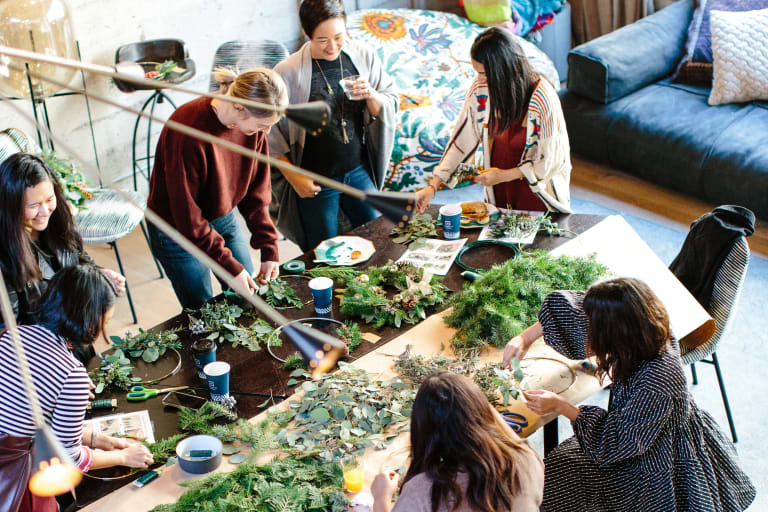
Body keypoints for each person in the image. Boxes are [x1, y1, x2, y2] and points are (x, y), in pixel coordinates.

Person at [502, 278, 756, 511]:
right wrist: (525, 337)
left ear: (617, 336)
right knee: (551, 472)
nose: (588, 332)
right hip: (637, 427)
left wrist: (561, 405)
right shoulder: (645, 322)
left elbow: (614, 445)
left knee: (551, 485)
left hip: (652, 458)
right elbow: (575, 308)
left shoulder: (658, 380)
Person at [0, 264, 153, 512]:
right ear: (90, 319)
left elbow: (28, 415)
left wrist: (97, 438)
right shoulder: (71, 374)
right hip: (18, 479)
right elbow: (69, 458)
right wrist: (124, 457)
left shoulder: (13, 336)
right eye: (106, 320)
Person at [147, 67, 288, 310]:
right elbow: (188, 218)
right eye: (263, 125)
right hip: (175, 230)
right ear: (239, 107)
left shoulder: (252, 129)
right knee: (203, 310)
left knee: (248, 298)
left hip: (221, 215)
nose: (266, 132)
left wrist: (269, 247)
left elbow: (256, 192)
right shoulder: (188, 129)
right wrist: (231, 269)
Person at [269, 0, 398, 251]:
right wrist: (294, 177)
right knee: (325, 252)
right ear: (307, 34)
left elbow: (390, 100)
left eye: (339, 36)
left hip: (358, 169)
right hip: (315, 178)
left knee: (380, 238)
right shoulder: (287, 72)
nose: (333, 47)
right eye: (322, 39)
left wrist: (371, 95)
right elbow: (270, 136)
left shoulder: (362, 55)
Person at [415, 27, 572, 214]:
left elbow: (550, 162)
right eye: (477, 72)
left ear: (503, 70)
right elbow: (462, 139)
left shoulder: (542, 97)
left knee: (537, 242)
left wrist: (504, 175)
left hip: (538, 196)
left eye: (484, 73)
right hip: (499, 192)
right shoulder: (481, 90)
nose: (479, 79)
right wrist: (433, 186)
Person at [371, 371, 544, 512]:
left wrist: (381, 498)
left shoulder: (424, 492)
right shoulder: (525, 462)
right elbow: (516, 442)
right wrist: (469, 399)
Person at [0, 153, 125, 335]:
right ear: (11, 206)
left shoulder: (58, 222)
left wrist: (96, 276)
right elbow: (8, 334)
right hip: (40, 353)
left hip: (72, 336)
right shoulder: (5, 257)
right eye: (33, 205)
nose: (45, 211)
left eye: (49, 199)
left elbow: (79, 260)